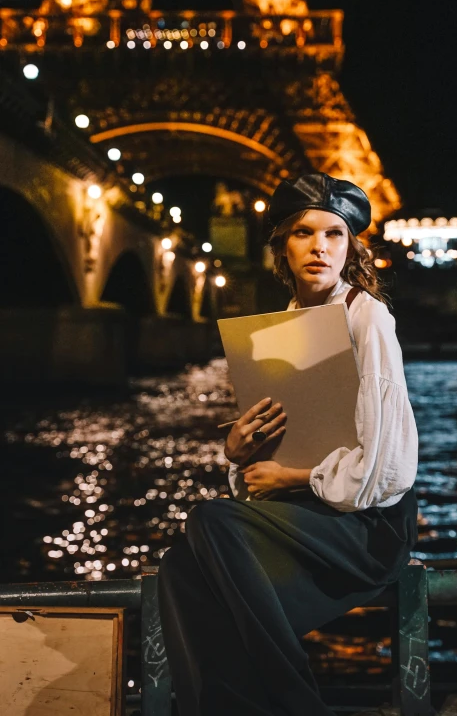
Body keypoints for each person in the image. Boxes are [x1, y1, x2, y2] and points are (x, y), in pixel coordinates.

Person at [158, 173, 419, 716]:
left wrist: (293, 478)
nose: (320, 247)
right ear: (281, 245)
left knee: (211, 522)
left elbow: (388, 468)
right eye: (303, 233)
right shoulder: (286, 326)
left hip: (367, 526)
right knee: (179, 568)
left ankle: (297, 705)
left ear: (351, 248)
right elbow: (278, 452)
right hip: (308, 515)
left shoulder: (367, 318)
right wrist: (238, 450)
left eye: (334, 235)